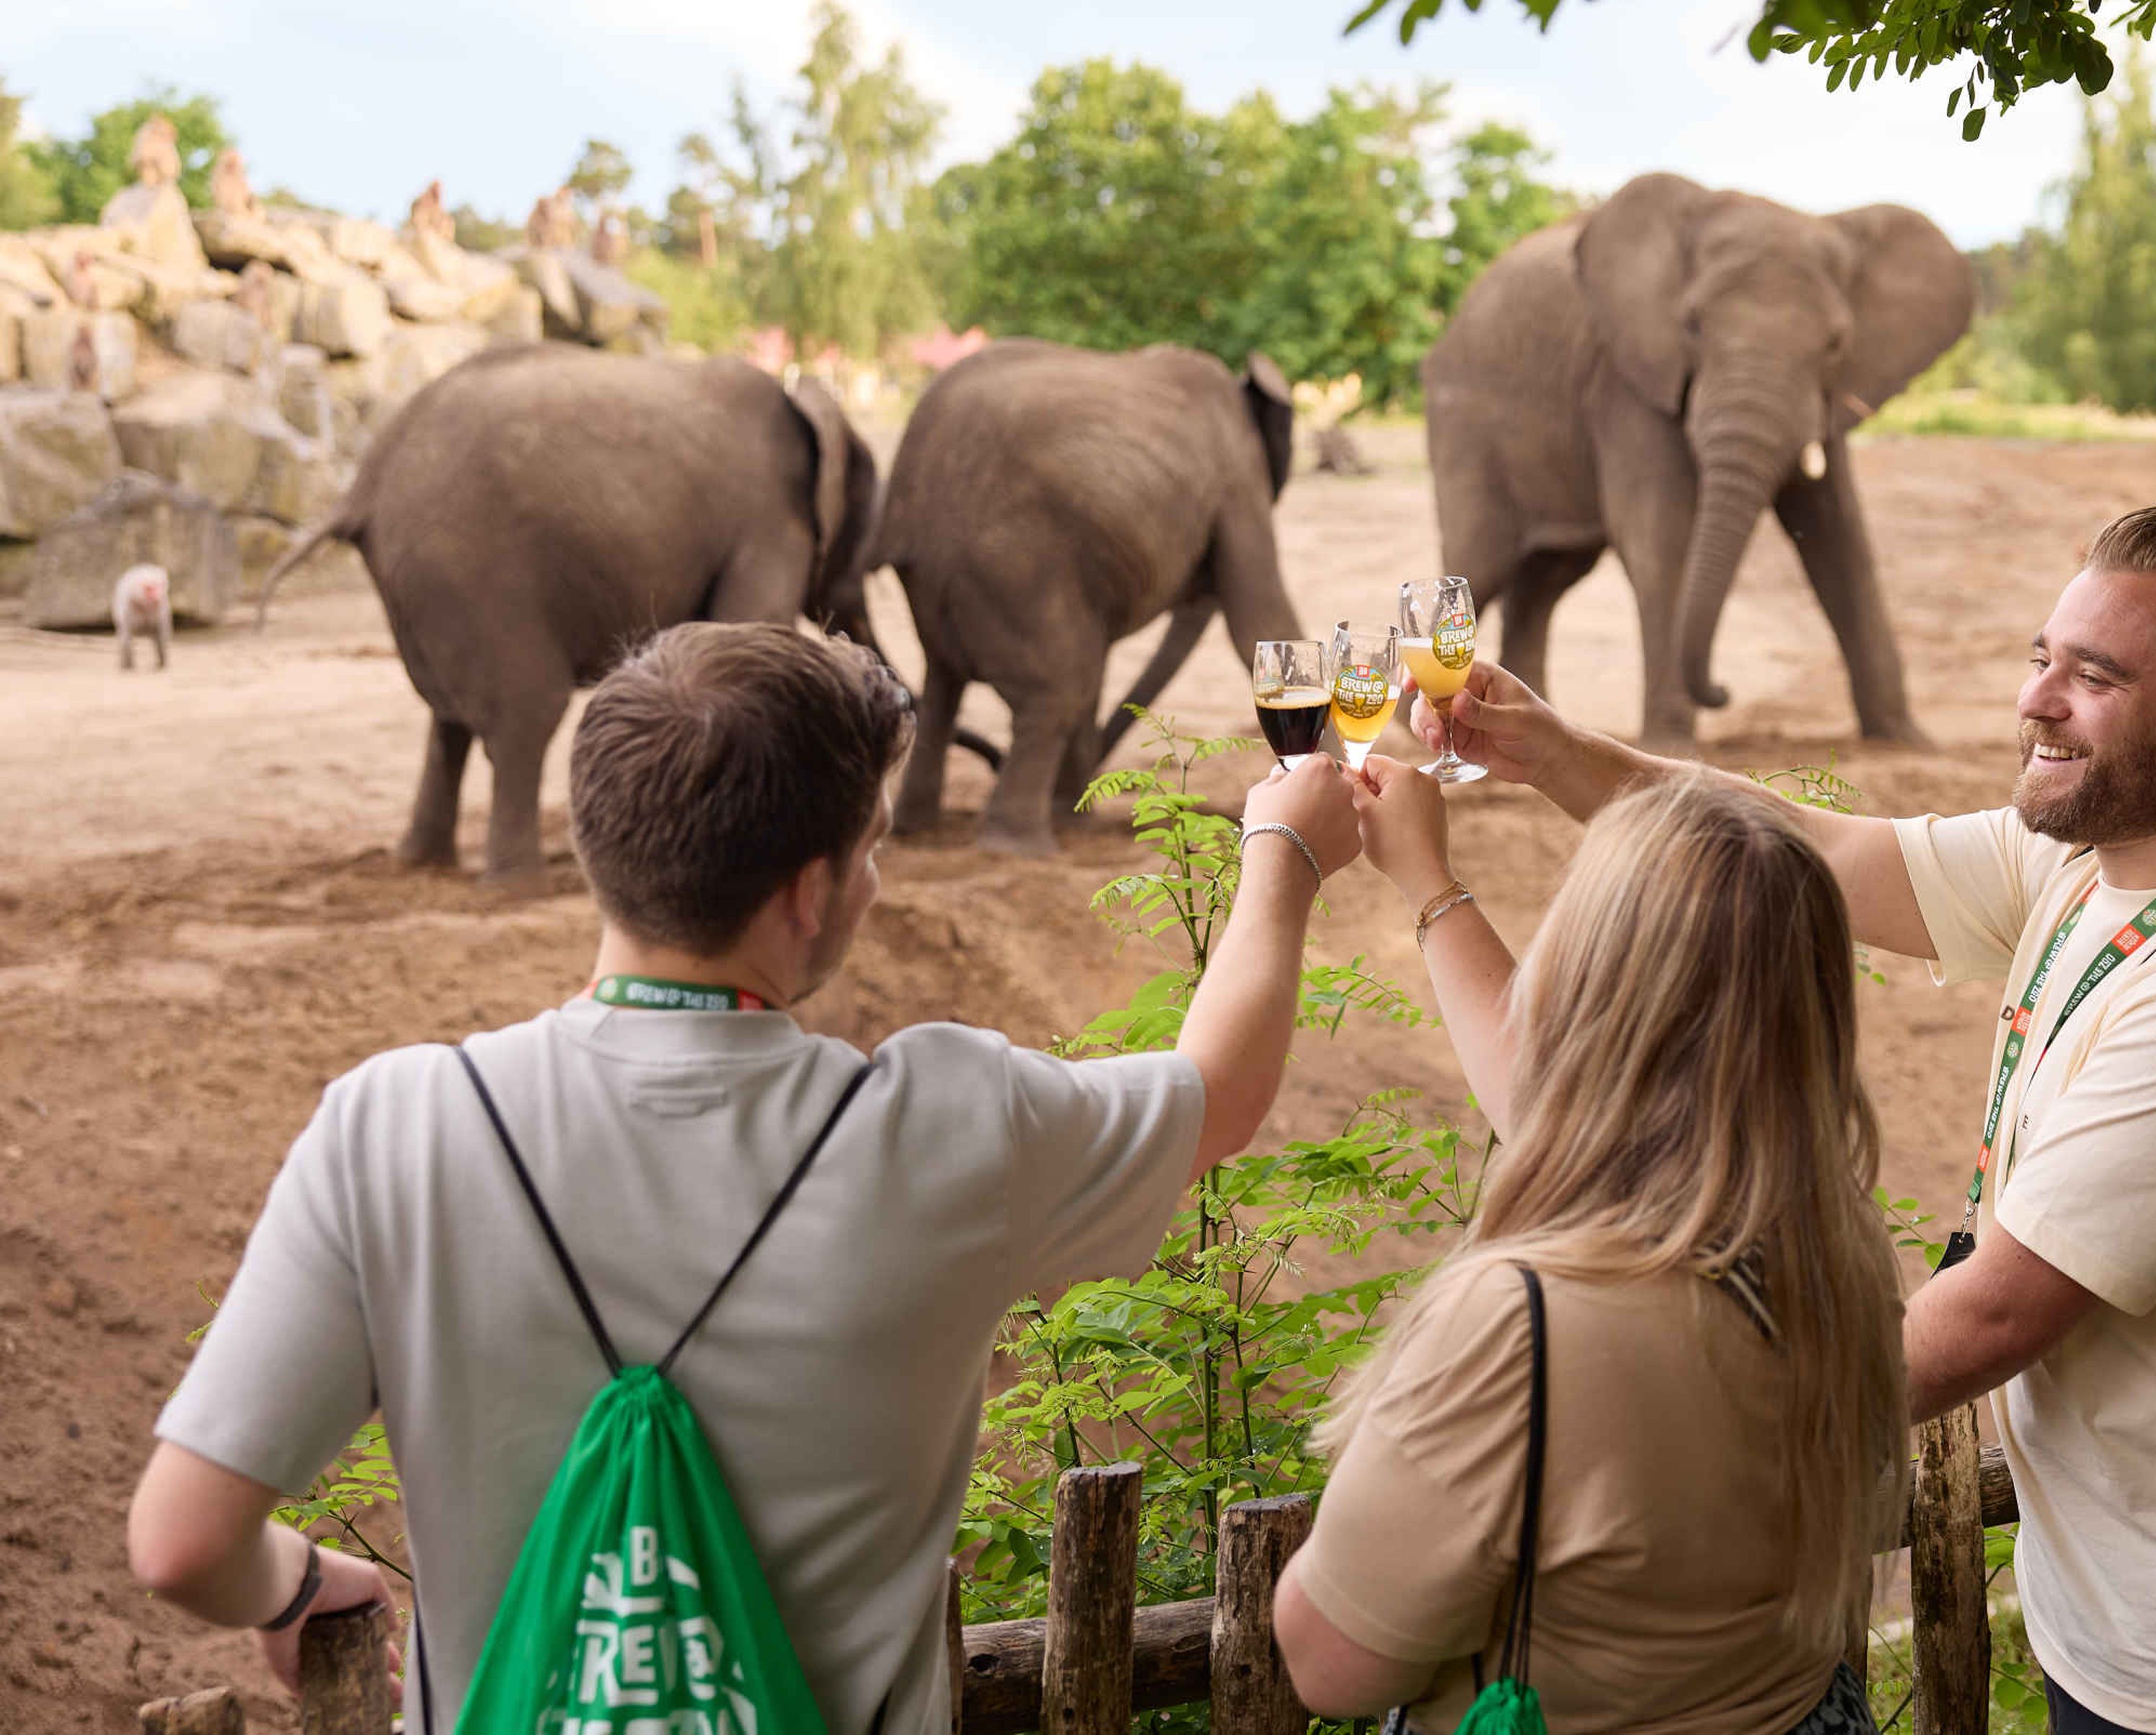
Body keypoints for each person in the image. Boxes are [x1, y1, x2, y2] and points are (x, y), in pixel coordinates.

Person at [125, 621, 1362, 1735]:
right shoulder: (950, 1126)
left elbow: (182, 1539)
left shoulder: (395, 1125)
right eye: (872, 848)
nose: (873, 883)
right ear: (809, 888)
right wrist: (1281, 853)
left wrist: (290, 1585)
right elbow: (1224, 1090)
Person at [1401, 506, 2156, 1735]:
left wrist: (1678, 1430)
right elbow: (1803, 849)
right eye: (2043, 656)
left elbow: (1993, 1313)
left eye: (2094, 675)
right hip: (2129, 1582)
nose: (2038, 699)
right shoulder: (2092, 864)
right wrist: (1549, 751)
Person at [1273, 768, 1909, 1735]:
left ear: (1589, 983)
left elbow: (1331, 1662)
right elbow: (1574, 1120)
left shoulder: (1522, 1322)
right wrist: (1428, 881)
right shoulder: (1835, 1249)